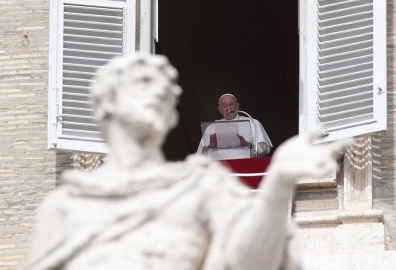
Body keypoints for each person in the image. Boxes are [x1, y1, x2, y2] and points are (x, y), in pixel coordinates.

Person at [27, 54, 350, 270]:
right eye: (143, 84)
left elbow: (251, 262)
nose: (158, 94)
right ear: (106, 103)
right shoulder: (65, 205)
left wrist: (278, 183)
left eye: (166, 91)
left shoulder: (205, 186)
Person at [197, 94, 272, 157]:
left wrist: (248, 146)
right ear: (220, 109)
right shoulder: (210, 128)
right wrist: (211, 148)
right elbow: (200, 157)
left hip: (247, 166)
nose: (228, 108)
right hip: (222, 170)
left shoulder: (252, 122)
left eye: (231, 104)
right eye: (224, 105)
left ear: (237, 106)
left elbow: (265, 149)